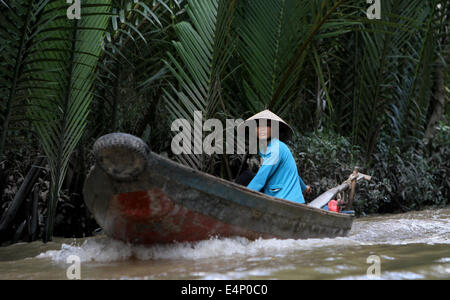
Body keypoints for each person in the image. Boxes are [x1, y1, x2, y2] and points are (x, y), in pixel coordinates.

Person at [235, 110, 311, 204]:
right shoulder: (267, 148)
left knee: (247, 177)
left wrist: (239, 198)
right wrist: (304, 188)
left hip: (285, 199)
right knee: (247, 176)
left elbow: (260, 179)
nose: (262, 129)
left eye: (267, 125)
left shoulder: (276, 148)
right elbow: (290, 171)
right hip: (277, 195)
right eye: (258, 126)